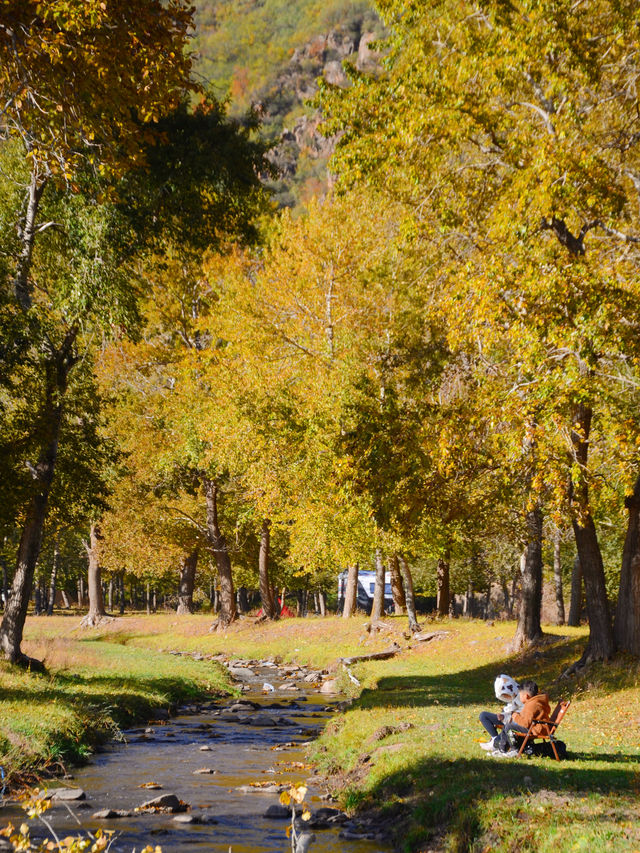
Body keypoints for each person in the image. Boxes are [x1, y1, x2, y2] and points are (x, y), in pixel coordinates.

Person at [494, 679, 552, 757]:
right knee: (508, 725)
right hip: (538, 727)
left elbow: (525, 723)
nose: (520, 697)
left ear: (526, 696)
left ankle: (514, 749)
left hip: (536, 729)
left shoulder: (531, 705)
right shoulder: (536, 701)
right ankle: (502, 749)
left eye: (520, 695)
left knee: (508, 726)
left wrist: (515, 716)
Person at [478, 674, 523, 752]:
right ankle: (494, 739)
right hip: (508, 720)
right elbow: (509, 710)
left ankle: (496, 743)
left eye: (506, 695)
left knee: (499, 740)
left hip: (514, 724)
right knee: (483, 715)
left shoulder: (522, 697)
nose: (506, 697)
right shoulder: (515, 697)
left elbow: (517, 717)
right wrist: (503, 715)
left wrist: (505, 716)